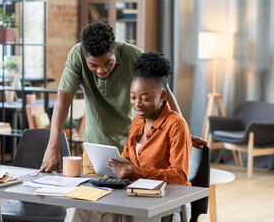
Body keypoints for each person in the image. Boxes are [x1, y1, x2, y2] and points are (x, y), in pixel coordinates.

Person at [40, 21, 205, 174]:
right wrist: (52, 145)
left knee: (128, 201)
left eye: (108, 62)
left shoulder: (133, 55)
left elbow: (164, 94)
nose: (101, 70)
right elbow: (63, 100)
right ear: (85, 58)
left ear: (116, 51)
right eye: (93, 65)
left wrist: (183, 132)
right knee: (91, 200)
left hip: (131, 150)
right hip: (96, 148)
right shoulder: (77, 55)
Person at [74, 51, 192, 222]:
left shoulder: (176, 125)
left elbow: (180, 177)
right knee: (84, 207)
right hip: (133, 195)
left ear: (162, 96)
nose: (137, 104)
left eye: (145, 98)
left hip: (165, 201)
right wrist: (111, 164)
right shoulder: (138, 122)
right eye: (133, 97)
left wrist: (134, 172)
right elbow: (128, 159)